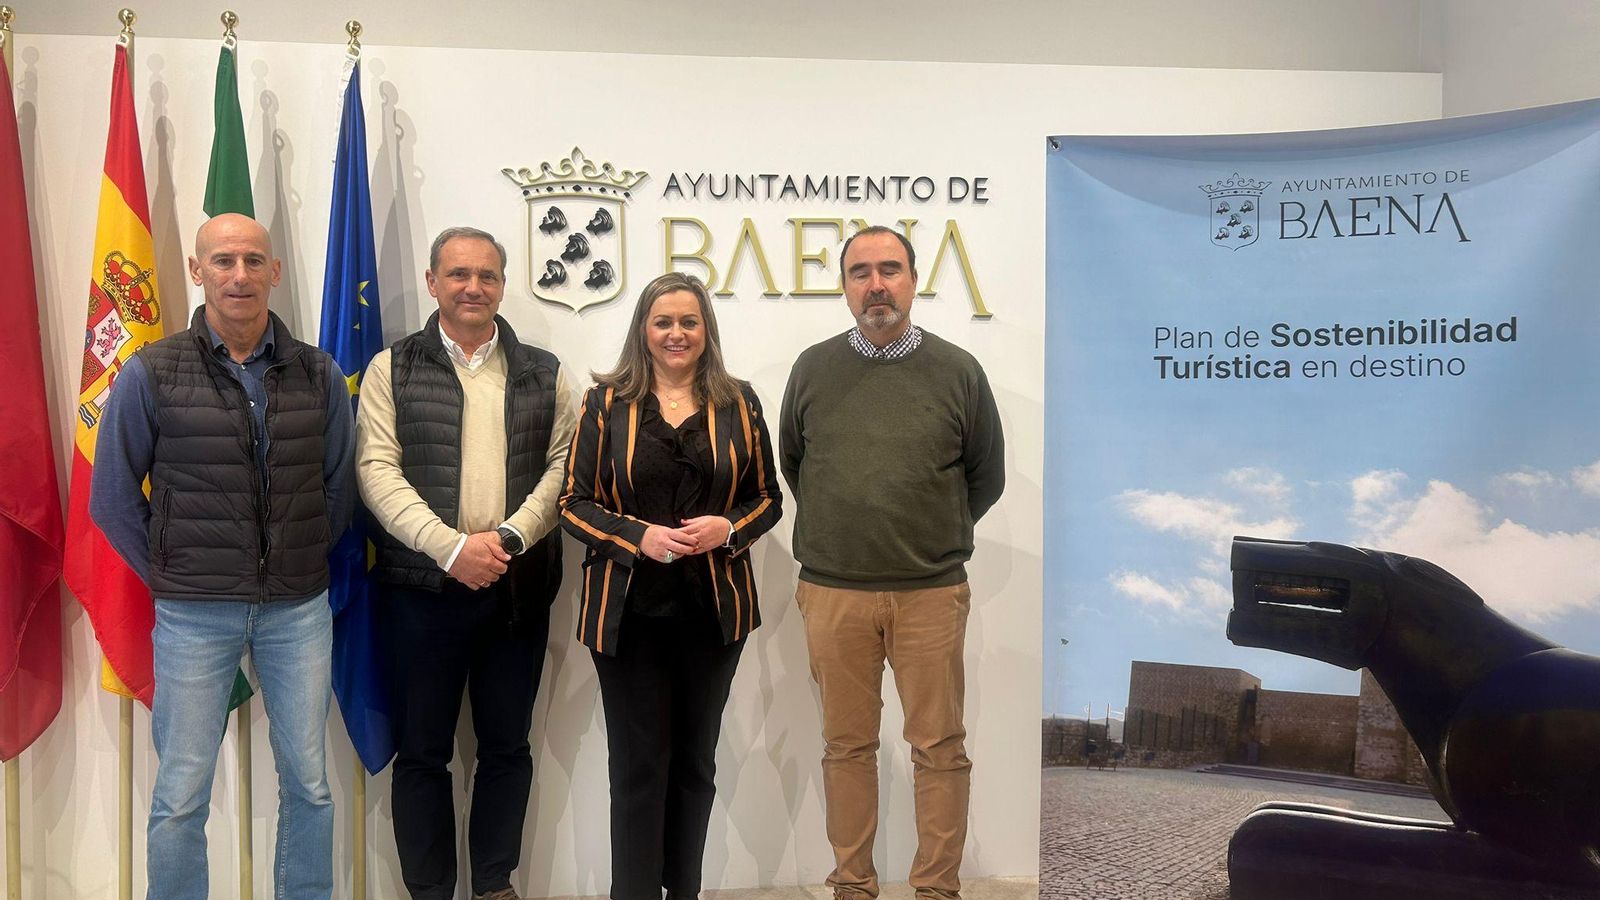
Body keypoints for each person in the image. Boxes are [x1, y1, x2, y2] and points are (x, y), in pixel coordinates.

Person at [90, 213, 355, 900]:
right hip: (192, 615)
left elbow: (338, 486)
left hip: (297, 610)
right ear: (196, 269)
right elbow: (114, 498)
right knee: (180, 792)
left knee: (311, 785)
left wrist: (293, 557)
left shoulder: (318, 373)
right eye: (224, 261)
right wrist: (177, 571)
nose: (239, 275)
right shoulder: (151, 372)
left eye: (252, 261)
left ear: (275, 271)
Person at [779, 225, 1006, 900]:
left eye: (889, 270)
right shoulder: (812, 369)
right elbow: (797, 465)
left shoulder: (958, 370)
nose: (875, 285)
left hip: (930, 593)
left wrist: (933, 535)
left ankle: (936, 889)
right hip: (833, 592)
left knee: (939, 748)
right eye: (860, 272)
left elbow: (984, 476)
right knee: (846, 747)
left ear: (912, 279)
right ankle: (854, 885)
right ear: (844, 284)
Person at [356, 226, 574, 900]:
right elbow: (375, 469)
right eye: (458, 274)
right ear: (432, 283)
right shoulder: (393, 368)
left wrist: (506, 540)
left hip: (516, 588)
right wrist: (450, 549)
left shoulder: (545, 370)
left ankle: (492, 883)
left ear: (502, 285)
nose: (473, 287)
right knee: (422, 753)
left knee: (507, 748)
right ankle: (428, 889)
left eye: (487, 275)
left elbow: (568, 467)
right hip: (422, 591)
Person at [560, 272, 782, 900]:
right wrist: (638, 538)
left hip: (713, 617)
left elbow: (768, 500)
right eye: (663, 322)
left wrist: (727, 527)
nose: (676, 333)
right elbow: (571, 504)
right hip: (627, 617)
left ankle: (682, 891)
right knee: (637, 771)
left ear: (706, 329)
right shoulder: (606, 402)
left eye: (689, 321)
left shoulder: (740, 402)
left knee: (694, 768)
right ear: (643, 331)